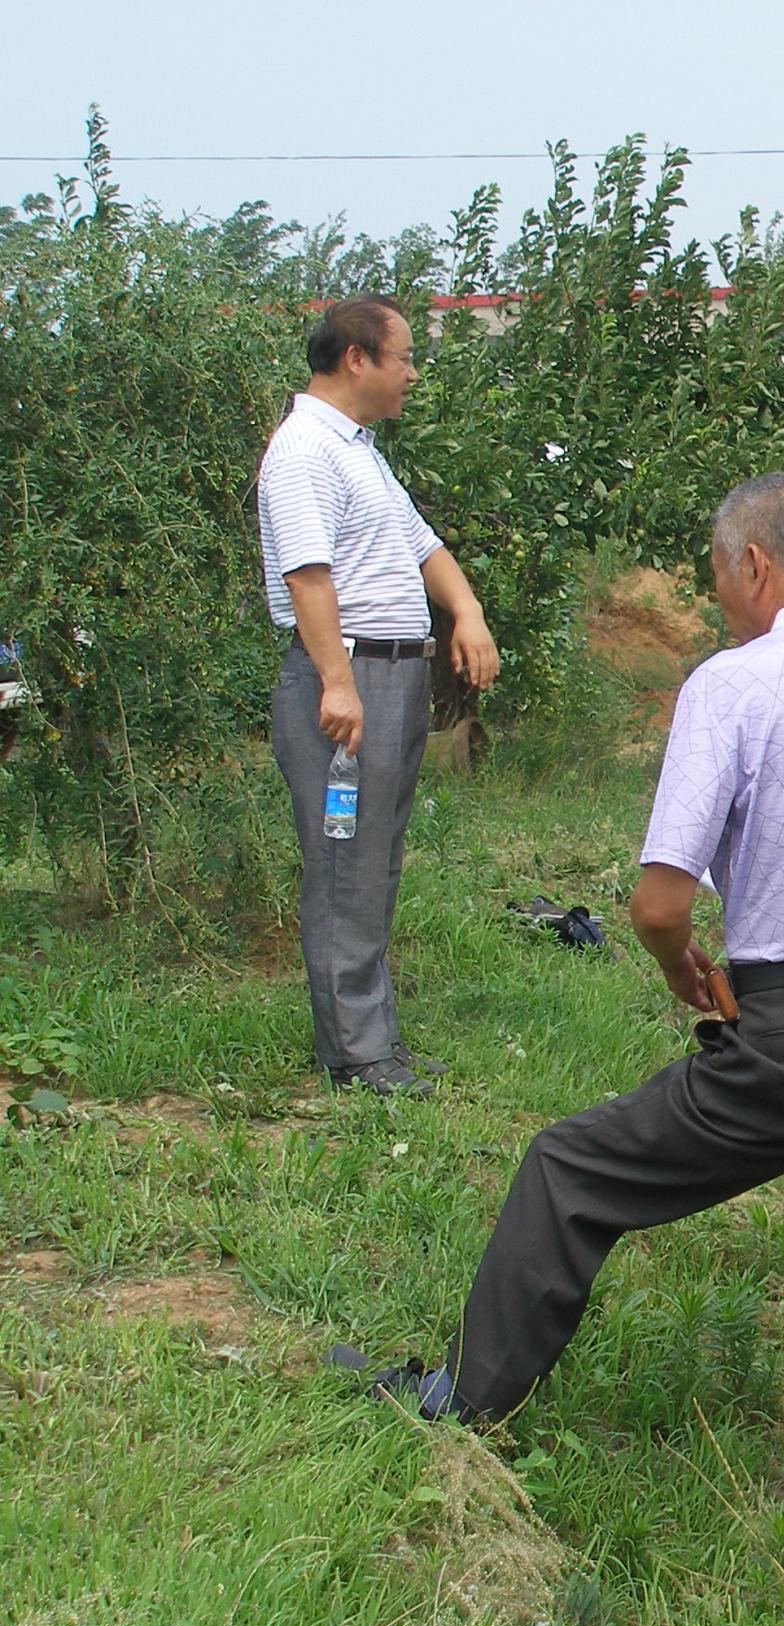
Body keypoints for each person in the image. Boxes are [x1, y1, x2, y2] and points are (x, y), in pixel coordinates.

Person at [372, 474, 784, 1626]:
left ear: (755, 564)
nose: (719, 596)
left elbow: (660, 903)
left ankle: (458, 1403)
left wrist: (689, 976)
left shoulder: (732, 685)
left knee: (572, 1171)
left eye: (719, 574)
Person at [258, 295, 500, 1098]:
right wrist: (337, 683)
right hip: (348, 677)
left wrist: (466, 610)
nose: (413, 373)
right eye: (405, 357)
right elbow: (307, 576)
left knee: (372, 863)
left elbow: (422, 544)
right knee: (345, 866)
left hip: (391, 677)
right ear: (357, 358)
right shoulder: (304, 450)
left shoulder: (358, 451)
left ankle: (373, 1039)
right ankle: (356, 1057)